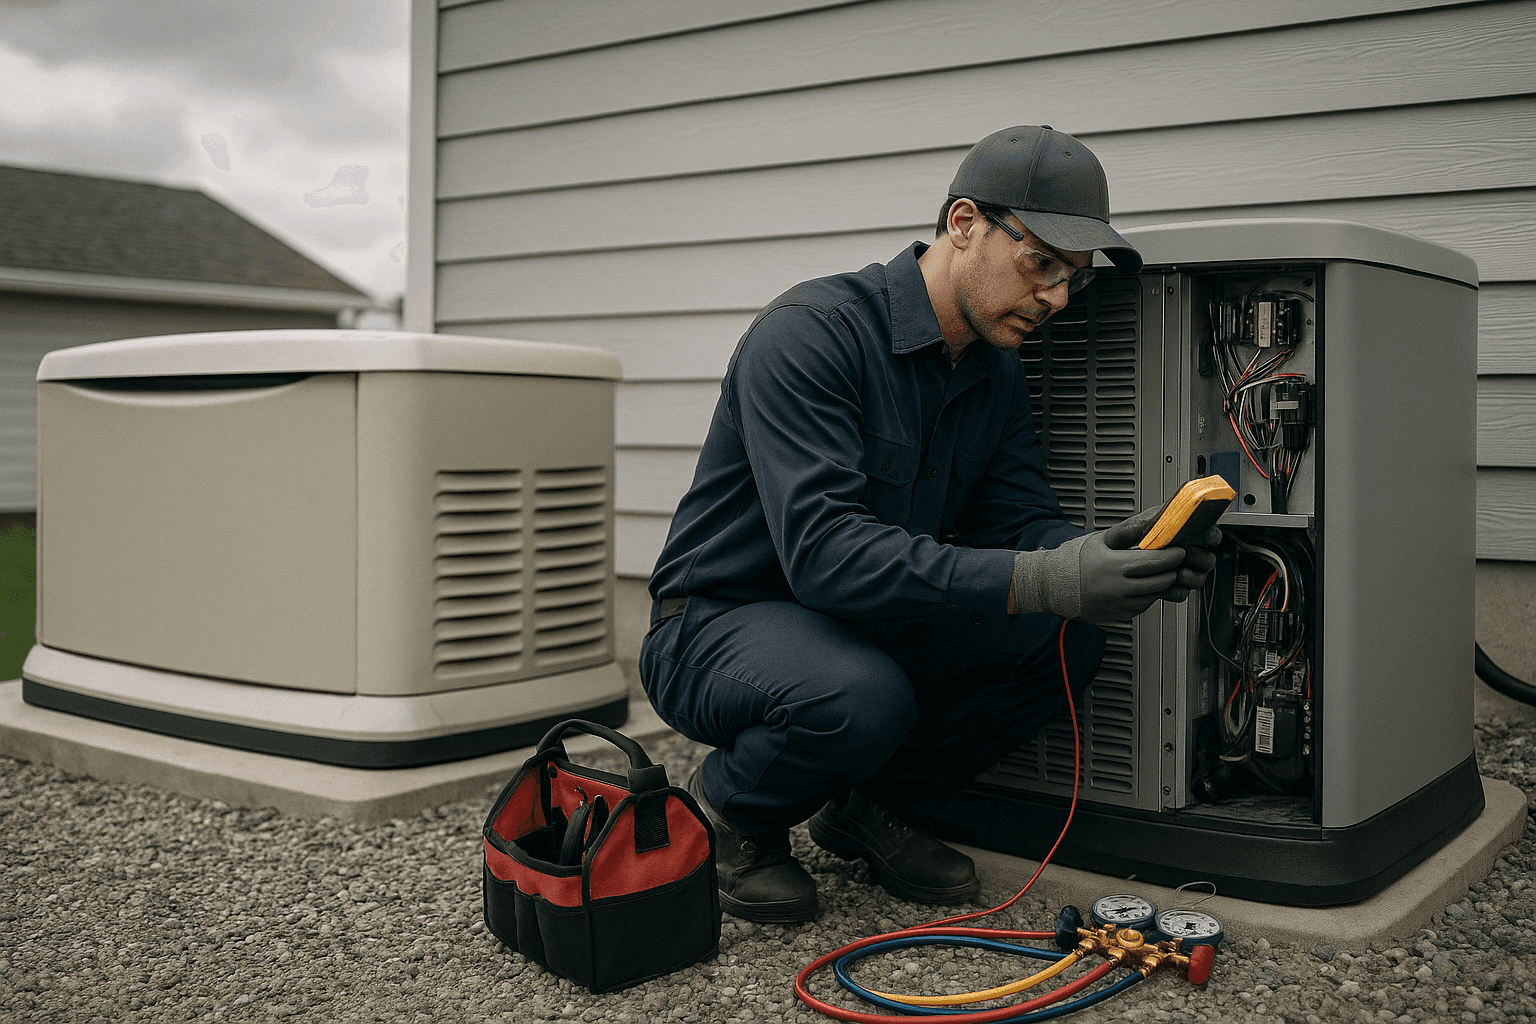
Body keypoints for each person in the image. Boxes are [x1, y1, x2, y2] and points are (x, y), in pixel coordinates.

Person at [639, 125, 1220, 923]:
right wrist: (1044, 577)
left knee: (1066, 635)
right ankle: (732, 809)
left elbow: (1020, 521)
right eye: (1041, 262)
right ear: (963, 223)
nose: (1054, 296)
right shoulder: (812, 334)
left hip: (859, 623)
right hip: (718, 622)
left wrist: (1105, 555)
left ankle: (875, 806)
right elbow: (826, 556)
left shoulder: (995, 369)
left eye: (1072, 279)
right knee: (859, 697)